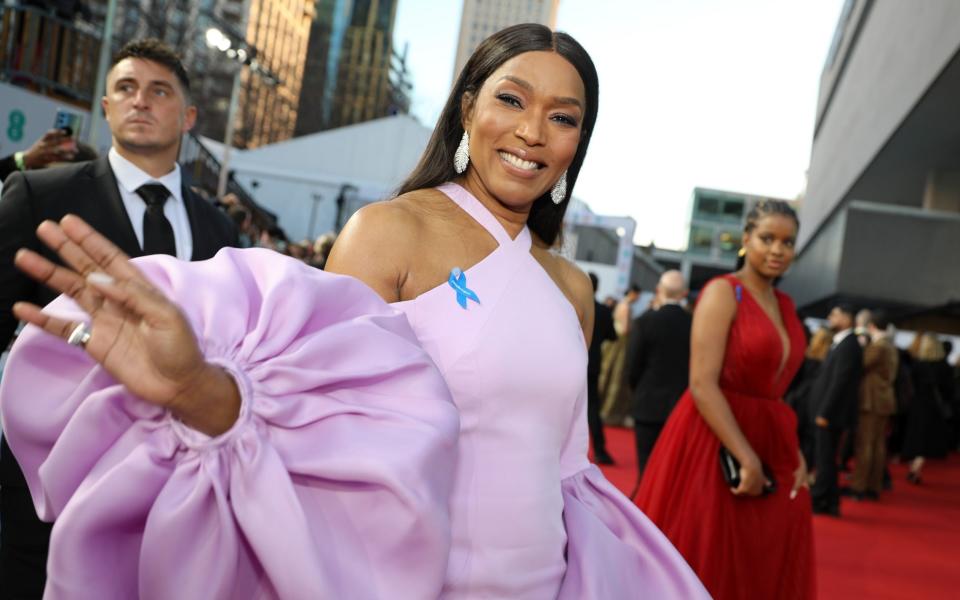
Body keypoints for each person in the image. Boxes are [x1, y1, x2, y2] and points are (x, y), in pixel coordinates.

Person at [0, 25, 707, 599]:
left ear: (578, 141)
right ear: (468, 107)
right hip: (403, 582)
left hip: (543, 582)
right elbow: (305, 423)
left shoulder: (573, 288)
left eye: (563, 117)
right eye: (512, 100)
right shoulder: (388, 232)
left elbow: (566, 470)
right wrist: (202, 392)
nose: (532, 132)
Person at [0, 38, 238, 598]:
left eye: (159, 91)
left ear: (188, 116)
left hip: (177, 476)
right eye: (126, 89)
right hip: (52, 473)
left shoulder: (219, 228)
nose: (141, 101)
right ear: (105, 107)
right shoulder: (39, 193)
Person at [636, 200, 815, 600]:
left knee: (759, 561)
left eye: (787, 242)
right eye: (767, 238)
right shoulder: (723, 292)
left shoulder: (785, 305)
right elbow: (702, 382)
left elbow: (777, 388)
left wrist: (793, 449)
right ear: (746, 238)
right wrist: (746, 456)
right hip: (715, 438)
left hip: (771, 438)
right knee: (705, 560)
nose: (777, 250)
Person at [626, 269, 691, 478]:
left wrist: (638, 390)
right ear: (684, 293)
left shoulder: (645, 321)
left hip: (647, 403)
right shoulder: (695, 324)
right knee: (672, 472)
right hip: (682, 408)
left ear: (658, 290)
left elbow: (632, 367)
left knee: (646, 469)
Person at [810, 303, 863, 516]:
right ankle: (830, 503)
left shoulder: (850, 345)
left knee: (825, 460)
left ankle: (819, 499)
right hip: (828, 412)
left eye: (835, 314)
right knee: (827, 458)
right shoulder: (843, 343)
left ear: (847, 319)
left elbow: (840, 382)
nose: (830, 317)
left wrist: (825, 412)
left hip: (831, 415)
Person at [844, 311, 898, 500]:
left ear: (871, 326)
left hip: (871, 401)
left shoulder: (878, 346)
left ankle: (859, 486)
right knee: (877, 445)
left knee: (865, 444)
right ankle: (872, 485)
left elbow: (861, 364)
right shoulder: (890, 346)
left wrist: (862, 346)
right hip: (883, 401)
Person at [901, 334, 953, 483]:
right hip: (934, 408)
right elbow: (949, 390)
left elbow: (910, 386)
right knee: (926, 440)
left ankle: (914, 466)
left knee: (915, 437)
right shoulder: (944, 367)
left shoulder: (918, 364)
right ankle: (917, 466)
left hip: (917, 405)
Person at [598, 284, 640, 426]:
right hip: (620, 344)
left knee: (606, 373)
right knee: (615, 376)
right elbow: (626, 328)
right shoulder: (626, 307)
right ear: (633, 293)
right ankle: (607, 410)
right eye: (637, 294)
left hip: (613, 344)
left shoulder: (621, 304)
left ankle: (600, 407)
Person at [587, 272, 617, 464]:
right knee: (592, 408)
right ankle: (599, 449)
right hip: (593, 363)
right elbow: (613, 336)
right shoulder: (604, 311)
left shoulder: (572, 305)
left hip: (573, 363)